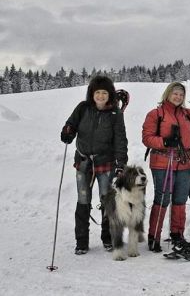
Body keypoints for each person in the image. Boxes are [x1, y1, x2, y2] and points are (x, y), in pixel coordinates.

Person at [60, 76, 128, 255]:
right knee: (83, 200)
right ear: (92, 93)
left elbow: (120, 140)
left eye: (104, 92)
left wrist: (121, 164)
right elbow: (71, 124)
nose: (100, 96)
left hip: (105, 162)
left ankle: (108, 238)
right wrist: (67, 132)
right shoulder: (83, 108)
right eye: (97, 92)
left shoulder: (115, 114)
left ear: (109, 94)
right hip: (83, 162)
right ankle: (81, 241)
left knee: (107, 201)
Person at [142, 82, 190, 252]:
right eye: (175, 93)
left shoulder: (188, 115)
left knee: (180, 200)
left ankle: (177, 234)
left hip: (185, 164)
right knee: (162, 199)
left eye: (181, 94)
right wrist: (164, 141)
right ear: (168, 94)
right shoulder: (156, 114)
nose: (178, 97)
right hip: (163, 163)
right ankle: (154, 236)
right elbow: (147, 138)